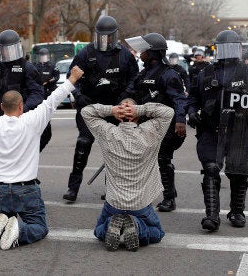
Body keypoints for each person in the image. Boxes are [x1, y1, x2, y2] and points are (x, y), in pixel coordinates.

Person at [0, 64, 84, 250]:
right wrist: (73, 78)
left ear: (2, 107)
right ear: (21, 106)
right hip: (26, 189)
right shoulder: (33, 120)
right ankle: (19, 229)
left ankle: (1, 225)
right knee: (39, 228)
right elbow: (53, 99)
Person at [187, 30, 248, 231]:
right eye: (224, 48)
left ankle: (237, 211)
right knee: (211, 168)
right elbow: (193, 97)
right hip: (211, 130)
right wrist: (191, 111)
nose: (228, 52)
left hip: (238, 132)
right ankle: (212, 215)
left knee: (238, 173)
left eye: (233, 47)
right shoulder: (206, 73)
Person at [62, 15, 139, 202]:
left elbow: (135, 79)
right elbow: (72, 77)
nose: (105, 41)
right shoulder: (85, 53)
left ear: (115, 35)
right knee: (83, 144)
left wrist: (125, 96)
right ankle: (73, 188)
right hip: (90, 106)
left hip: (115, 107)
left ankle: (111, 188)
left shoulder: (125, 55)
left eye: (108, 37)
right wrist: (79, 96)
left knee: (114, 148)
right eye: (101, 36)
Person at [83, 99, 173, 251]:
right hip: (140, 204)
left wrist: (112, 109)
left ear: (118, 116)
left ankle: (110, 224)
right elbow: (168, 112)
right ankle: (137, 226)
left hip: (114, 204)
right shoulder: (150, 132)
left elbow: (86, 111)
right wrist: (139, 109)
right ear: (137, 116)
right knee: (157, 233)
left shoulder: (107, 132)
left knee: (99, 232)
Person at [0, 30, 44, 205]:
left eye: (12, 49)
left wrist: (23, 110)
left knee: (22, 152)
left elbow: (38, 94)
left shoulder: (27, 68)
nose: (9, 53)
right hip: (0, 119)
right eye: (5, 49)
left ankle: (24, 182)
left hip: (22, 120)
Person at [123, 33, 187, 212]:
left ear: (153, 53)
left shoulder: (169, 74)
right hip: (145, 124)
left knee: (163, 159)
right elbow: (130, 92)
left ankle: (169, 198)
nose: (140, 52)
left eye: (144, 50)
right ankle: (144, 195)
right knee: (143, 160)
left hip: (166, 124)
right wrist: (127, 102)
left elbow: (180, 100)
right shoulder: (142, 73)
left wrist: (180, 121)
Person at [34, 47, 60, 150]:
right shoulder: (36, 66)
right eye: (42, 56)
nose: (43, 58)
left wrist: (51, 81)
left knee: (48, 107)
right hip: (39, 90)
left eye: (45, 56)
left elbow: (56, 76)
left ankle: (46, 121)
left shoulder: (52, 65)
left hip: (48, 90)